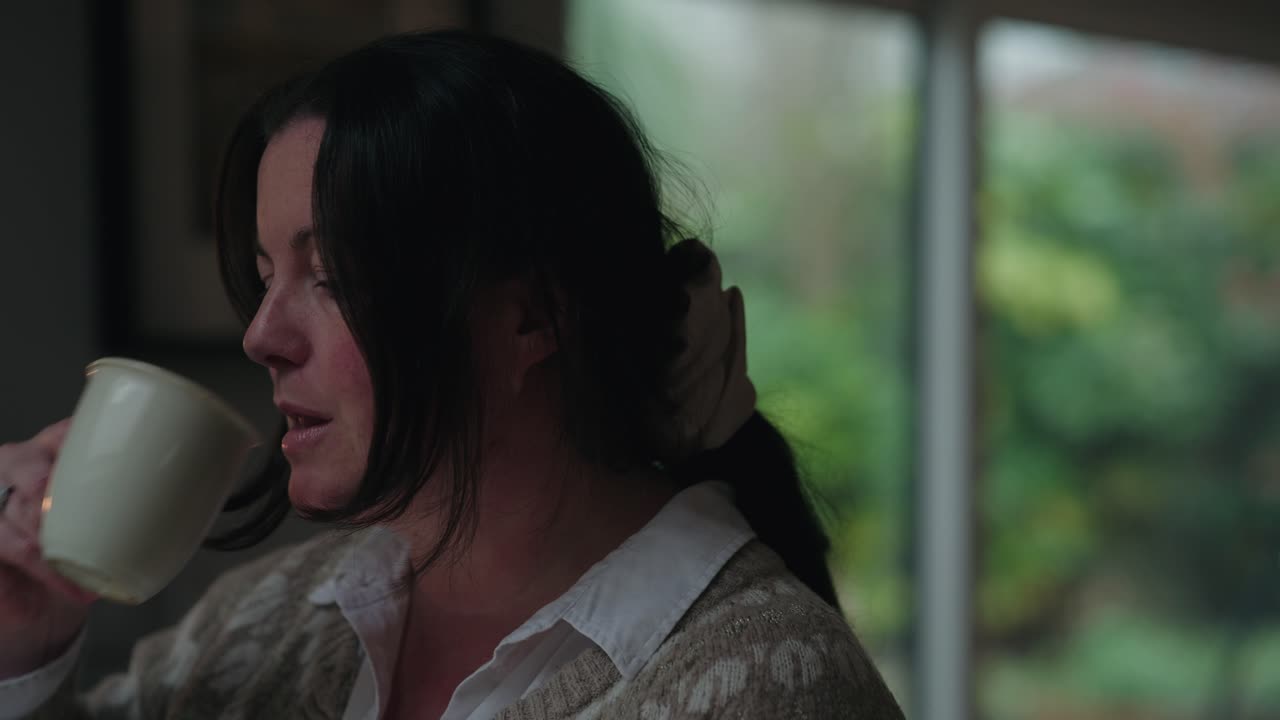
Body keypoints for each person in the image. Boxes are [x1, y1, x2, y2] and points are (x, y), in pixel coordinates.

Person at [0, 31, 904, 720]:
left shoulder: (760, 684)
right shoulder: (266, 619)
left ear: (533, 315)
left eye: (334, 276)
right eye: (267, 274)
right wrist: (25, 646)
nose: (263, 338)